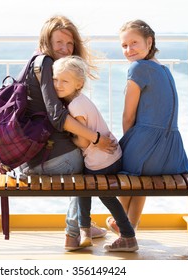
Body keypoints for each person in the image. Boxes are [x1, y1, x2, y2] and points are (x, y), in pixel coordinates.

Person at [18, 15, 117, 250]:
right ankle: (74, 233)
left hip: (27, 159)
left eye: (69, 44)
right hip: (49, 160)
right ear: (46, 42)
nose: (65, 49)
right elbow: (57, 117)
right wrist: (97, 139)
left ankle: (86, 225)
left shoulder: (34, 62)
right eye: (59, 43)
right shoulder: (46, 64)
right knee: (87, 168)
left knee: (81, 156)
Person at [106, 19, 188, 234]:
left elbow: (128, 116)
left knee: (128, 168)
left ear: (149, 41)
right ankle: (130, 226)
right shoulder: (164, 70)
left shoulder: (138, 68)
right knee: (140, 174)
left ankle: (122, 225)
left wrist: (129, 144)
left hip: (147, 147)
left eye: (134, 43)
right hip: (172, 155)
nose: (129, 49)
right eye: (124, 46)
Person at [52, 55, 138, 252]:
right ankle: (86, 230)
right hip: (112, 157)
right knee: (86, 187)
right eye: (55, 79)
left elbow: (82, 140)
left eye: (65, 80)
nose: (58, 84)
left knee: (98, 193)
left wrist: (67, 138)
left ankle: (127, 236)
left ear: (79, 83)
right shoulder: (82, 100)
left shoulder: (74, 107)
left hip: (100, 162)